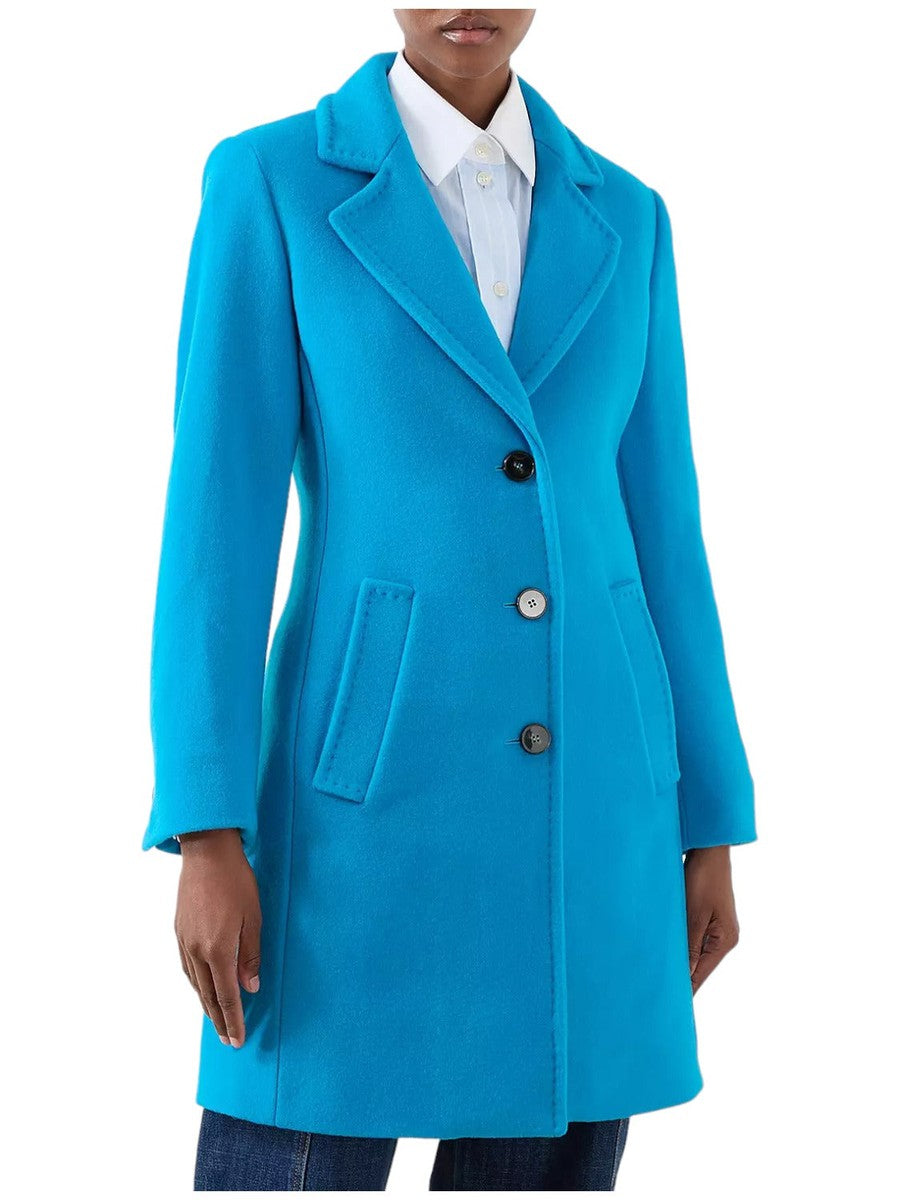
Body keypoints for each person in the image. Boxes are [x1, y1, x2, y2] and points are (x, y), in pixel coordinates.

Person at [144, 8, 757, 1192]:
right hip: (358, 809)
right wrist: (206, 828)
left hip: (594, 806)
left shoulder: (627, 216)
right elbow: (216, 527)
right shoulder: (271, 182)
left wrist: (709, 816)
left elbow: (663, 536)